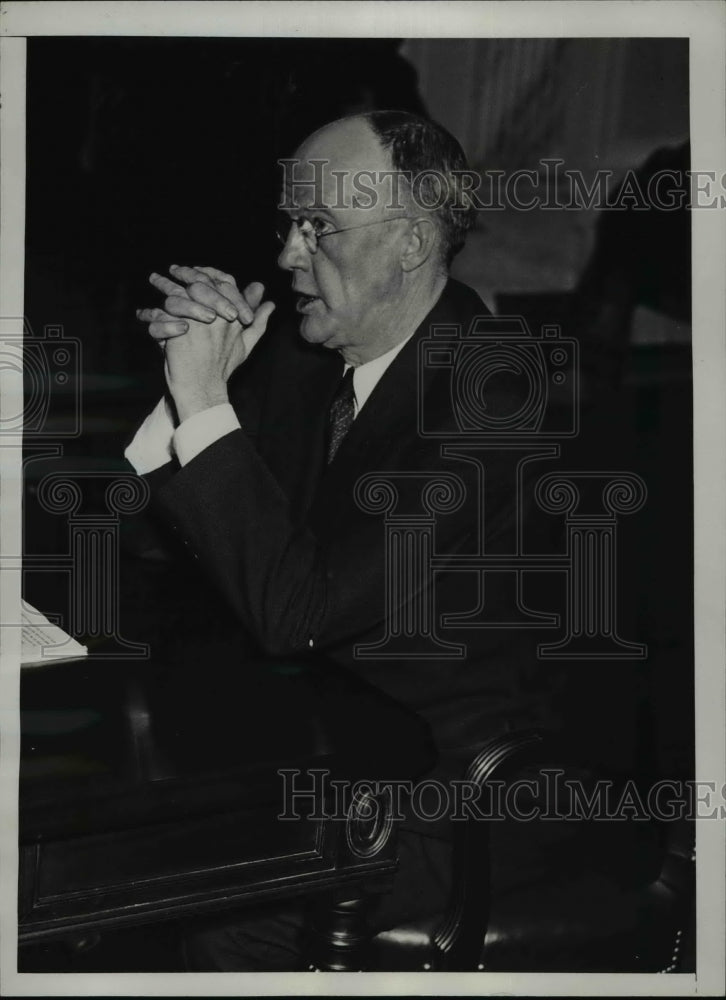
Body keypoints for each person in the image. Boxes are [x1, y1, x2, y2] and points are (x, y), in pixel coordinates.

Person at [125, 111, 552, 970]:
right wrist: (195, 394)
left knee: (195, 915)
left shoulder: (494, 394)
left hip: (464, 802)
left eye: (317, 227)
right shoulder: (313, 364)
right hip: (337, 759)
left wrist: (210, 398)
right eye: (288, 224)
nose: (286, 254)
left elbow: (299, 613)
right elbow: (182, 548)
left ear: (409, 241)